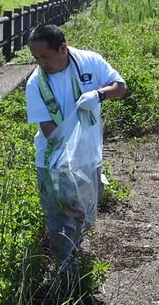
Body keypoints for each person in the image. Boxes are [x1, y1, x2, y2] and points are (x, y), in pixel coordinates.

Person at [25, 24, 126, 288]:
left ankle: (77, 249)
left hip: (89, 156)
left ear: (63, 48)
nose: (41, 63)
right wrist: (64, 156)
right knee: (57, 212)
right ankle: (64, 267)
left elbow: (120, 87)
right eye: (36, 58)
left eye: (45, 56)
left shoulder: (89, 62)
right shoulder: (36, 83)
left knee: (85, 206)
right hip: (53, 160)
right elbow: (47, 128)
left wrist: (98, 95)